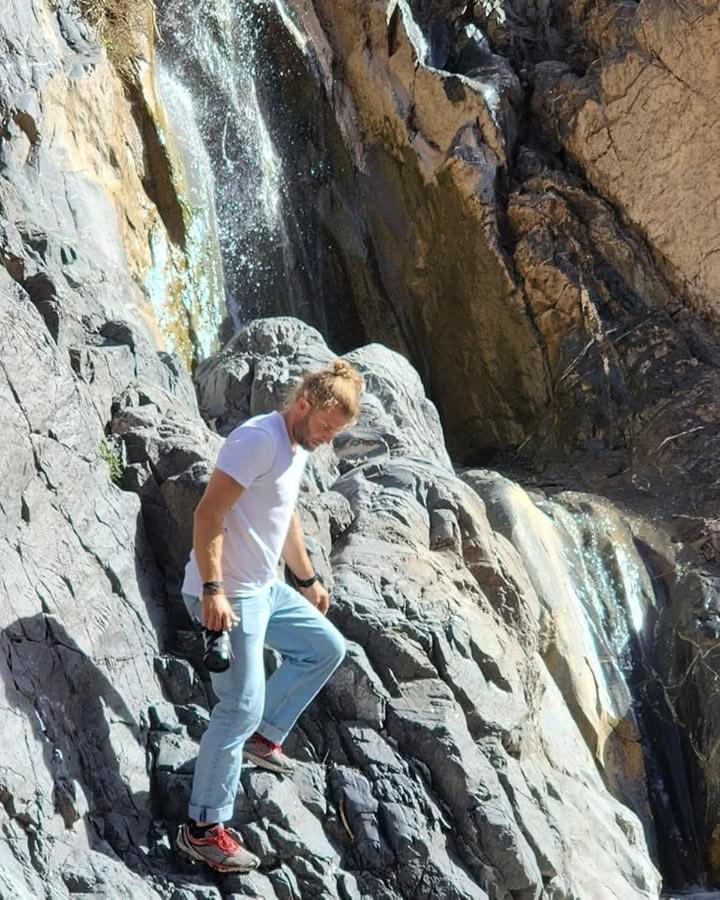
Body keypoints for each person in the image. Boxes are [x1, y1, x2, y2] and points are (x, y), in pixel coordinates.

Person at [175, 358, 364, 873]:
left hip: (265, 590)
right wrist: (212, 590)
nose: (327, 438)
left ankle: (263, 739)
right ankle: (202, 830)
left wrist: (306, 579)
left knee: (326, 648)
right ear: (303, 404)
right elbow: (208, 513)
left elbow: (285, 515)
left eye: (335, 432)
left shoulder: (298, 446)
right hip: (227, 595)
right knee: (239, 705)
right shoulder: (258, 440)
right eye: (325, 427)